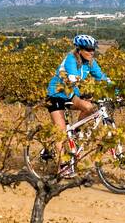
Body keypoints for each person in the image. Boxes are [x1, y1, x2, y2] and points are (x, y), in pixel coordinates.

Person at [46, 34, 111, 174]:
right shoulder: (71, 59)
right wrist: (85, 93)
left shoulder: (91, 62)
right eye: (88, 49)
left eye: (93, 49)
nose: (91, 52)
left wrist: (115, 89)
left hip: (70, 94)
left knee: (90, 107)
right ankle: (62, 167)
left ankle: (75, 132)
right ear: (79, 49)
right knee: (61, 133)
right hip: (56, 95)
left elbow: (102, 77)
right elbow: (73, 79)